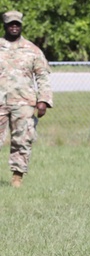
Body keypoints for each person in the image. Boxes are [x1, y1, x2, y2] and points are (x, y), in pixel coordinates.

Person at [0, 10, 53, 188]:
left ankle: (17, 177)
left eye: (17, 24)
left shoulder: (32, 50)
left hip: (23, 103)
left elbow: (43, 76)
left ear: (21, 26)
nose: (14, 26)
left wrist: (43, 100)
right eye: (10, 24)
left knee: (22, 140)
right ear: (5, 26)